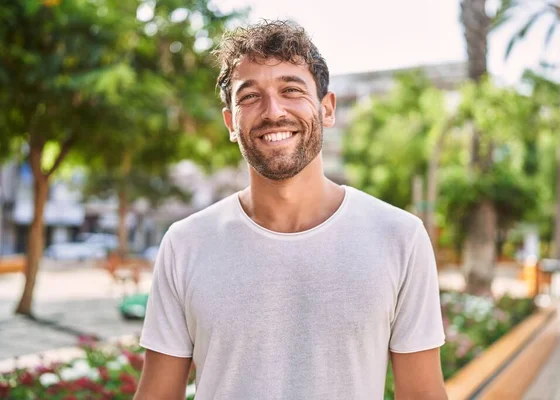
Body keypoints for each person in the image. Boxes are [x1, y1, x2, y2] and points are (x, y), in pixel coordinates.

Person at [134, 20, 447, 400]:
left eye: (291, 89)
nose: (273, 111)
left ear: (327, 109)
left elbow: (423, 394)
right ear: (231, 123)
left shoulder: (399, 236)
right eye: (249, 96)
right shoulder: (186, 244)